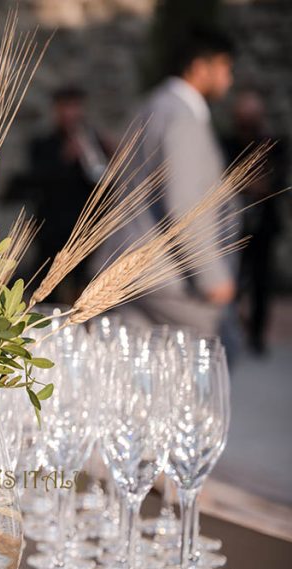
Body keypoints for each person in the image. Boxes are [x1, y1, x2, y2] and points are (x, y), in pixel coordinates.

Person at [98, 27, 238, 337]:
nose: (230, 78)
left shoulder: (150, 105)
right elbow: (184, 202)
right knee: (222, 347)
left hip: (126, 266)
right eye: (226, 67)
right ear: (200, 68)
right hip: (162, 276)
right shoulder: (183, 117)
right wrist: (211, 277)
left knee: (140, 369)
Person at [24, 86, 112, 302]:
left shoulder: (93, 140)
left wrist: (107, 152)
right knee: (46, 288)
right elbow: (38, 180)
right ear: (57, 110)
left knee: (83, 288)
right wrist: (64, 159)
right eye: (66, 107)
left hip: (83, 227)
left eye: (75, 107)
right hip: (52, 230)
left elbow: (102, 180)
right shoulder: (42, 144)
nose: (71, 113)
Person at [222, 90, 287, 355]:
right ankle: (231, 329)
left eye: (251, 117)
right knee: (232, 281)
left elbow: (275, 181)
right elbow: (226, 179)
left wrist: (252, 184)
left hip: (263, 224)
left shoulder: (273, 145)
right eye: (242, 117)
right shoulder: (228, 144)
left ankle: (257, 336)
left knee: (261, 282)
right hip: (234, 224)